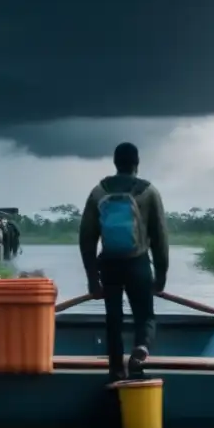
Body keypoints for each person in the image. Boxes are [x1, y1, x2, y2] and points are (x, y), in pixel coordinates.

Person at [79, 142, 169, 382]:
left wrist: (92, 279)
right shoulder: (149, 192)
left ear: (116, 164)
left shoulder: (99, 192)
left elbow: (87, 238)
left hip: (108, 265)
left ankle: (116, 371)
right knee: (146, 316)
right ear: (136, 164)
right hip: (138, 264)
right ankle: (141, 348)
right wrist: (161, 277)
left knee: (113, 319)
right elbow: (160, 238)